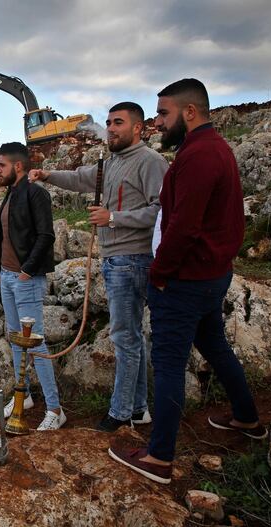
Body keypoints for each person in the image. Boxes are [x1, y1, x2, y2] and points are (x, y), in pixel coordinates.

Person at [108, 79, 266, 485]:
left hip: (186, 279)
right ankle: (246, 415)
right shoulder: (214, 149)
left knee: (169, 364)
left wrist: (160, 275)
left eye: (163, 113)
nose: (158, 121)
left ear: (189, 112)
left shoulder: (198, 156)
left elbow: (183, 226)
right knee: (214, 344)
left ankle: (159, 456)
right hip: (211, 275)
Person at [29, 102, 167, 432]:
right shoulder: (111, 162)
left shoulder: (150, 162)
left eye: (118, 122)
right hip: (115, 260)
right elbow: (80, 178)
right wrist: (48, 175)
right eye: (108, 122)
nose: (111, 128)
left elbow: (162, 212)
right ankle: (138, 409)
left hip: (132, 260)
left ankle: (119, 414)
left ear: (138, 127)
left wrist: (113, 218)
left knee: (124, 339)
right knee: (130, 336)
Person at [0, 141, 66, 431]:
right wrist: (1, 272)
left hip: (25, 279)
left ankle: (56, 409)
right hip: (8, 278)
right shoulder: (11, 194)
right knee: (14, 338)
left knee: (36, 342)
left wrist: (26, 272)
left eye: (1, 165)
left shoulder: (36, 193)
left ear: (17, 166)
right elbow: (5, 238)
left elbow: (46, 235)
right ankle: (25, 398)